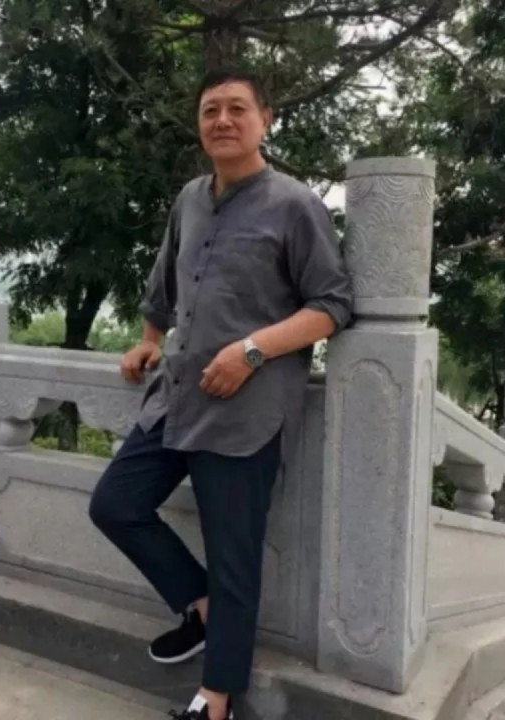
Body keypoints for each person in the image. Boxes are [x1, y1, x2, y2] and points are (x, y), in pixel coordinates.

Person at [89, 67, 353, 720]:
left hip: (246, 412)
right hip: (177, 397)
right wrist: (149, 338)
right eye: (211, 110)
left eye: (238, 108)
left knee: (234, 557)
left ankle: (216, 699)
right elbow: (165, 284)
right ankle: (206, 610)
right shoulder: (190, 199)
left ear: (266, 119)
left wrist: (251, 350)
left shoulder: (295, 205)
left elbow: (332, 305)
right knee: (115, 504)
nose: (223, 120)